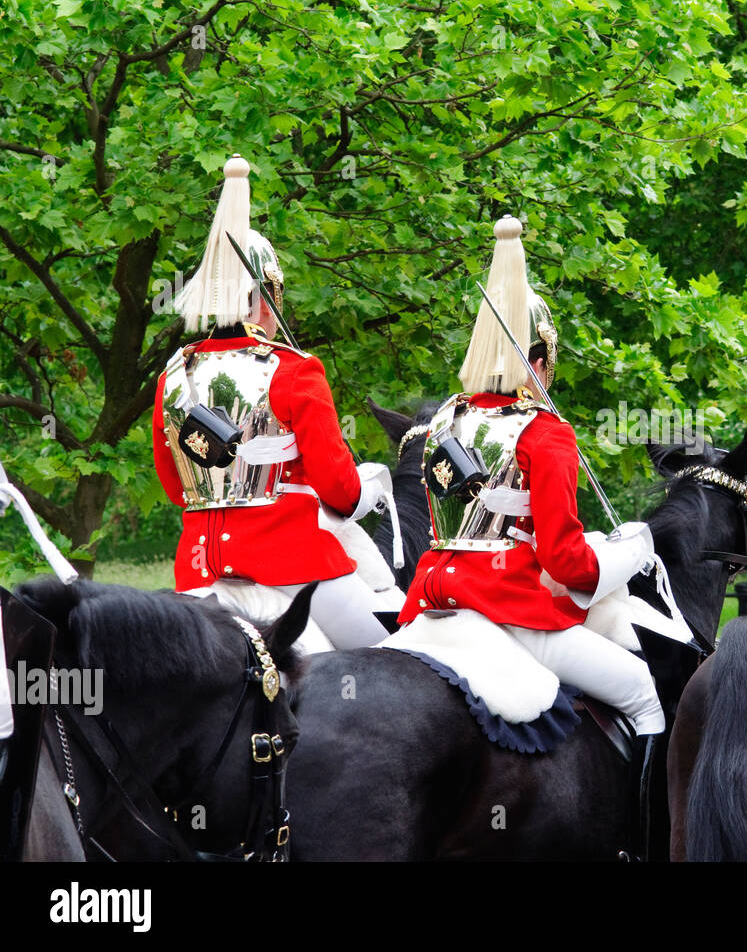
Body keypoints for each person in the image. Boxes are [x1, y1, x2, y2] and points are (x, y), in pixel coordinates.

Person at [395, 215, 664, 734]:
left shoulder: (443, 421)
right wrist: (631, 550)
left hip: (432, 599)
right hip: (507, 609)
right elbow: (565, 562)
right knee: (642, 691)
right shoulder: (545, 432)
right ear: (538, 363)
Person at [152, 154, 394, 649]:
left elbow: (177, 487)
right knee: (393, 656)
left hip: (198, 569)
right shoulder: (295, 370)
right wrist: (365, 491)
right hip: (292, 566)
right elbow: (340, 490)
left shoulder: (173, 375)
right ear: (265, 296)